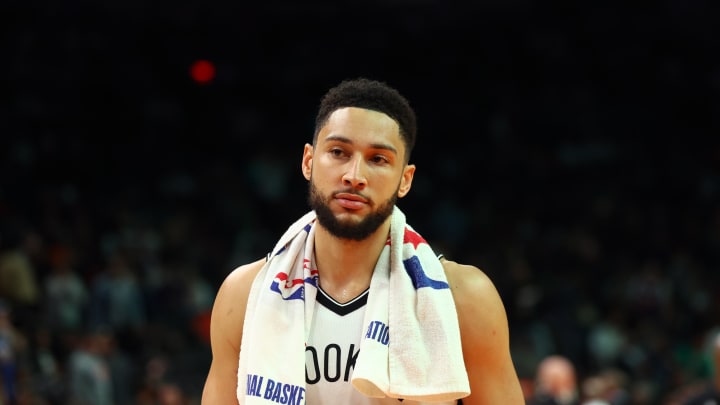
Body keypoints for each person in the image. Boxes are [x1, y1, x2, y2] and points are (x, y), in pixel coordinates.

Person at [201, 78, 524, 404]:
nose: (355, 175)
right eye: (339, 152)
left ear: (405, 180)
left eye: (378, 159)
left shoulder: (466, 300)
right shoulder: (244, 296)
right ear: (308, 161)